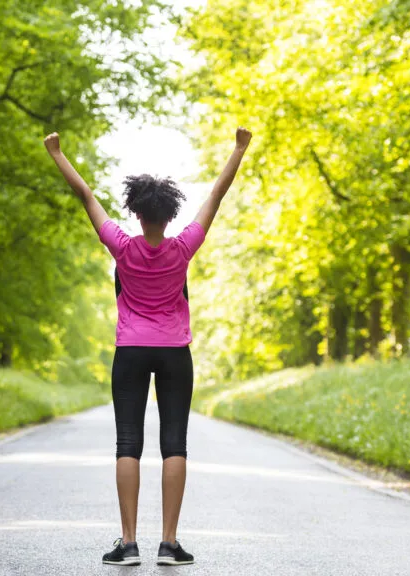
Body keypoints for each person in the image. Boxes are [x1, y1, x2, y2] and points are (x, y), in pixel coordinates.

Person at [44, 127, 252, 566]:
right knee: (175, 443)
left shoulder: (121, 247)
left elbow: (85, 196)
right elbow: (216, 194)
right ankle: (170, 544)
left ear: (137, 214)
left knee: (127, 443)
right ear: (169, 215)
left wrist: (57, 154)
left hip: (131, 352)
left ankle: (128, 543)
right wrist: (238, 149)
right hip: (175, 352)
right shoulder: (183, 248)